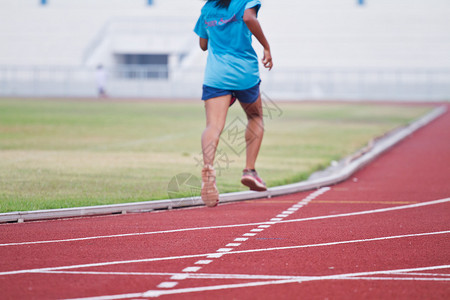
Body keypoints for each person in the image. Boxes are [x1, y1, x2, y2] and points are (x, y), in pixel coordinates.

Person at [194, 0, 273, 207]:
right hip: (243, 72)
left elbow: (203, 45)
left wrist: (218, 30)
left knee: (213, 126)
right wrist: (266, 46)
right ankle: (249, 170)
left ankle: (209, 168)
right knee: (255, 116)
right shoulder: (245, 2)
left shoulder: (208, 8)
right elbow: (248, 17)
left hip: (216, 74)